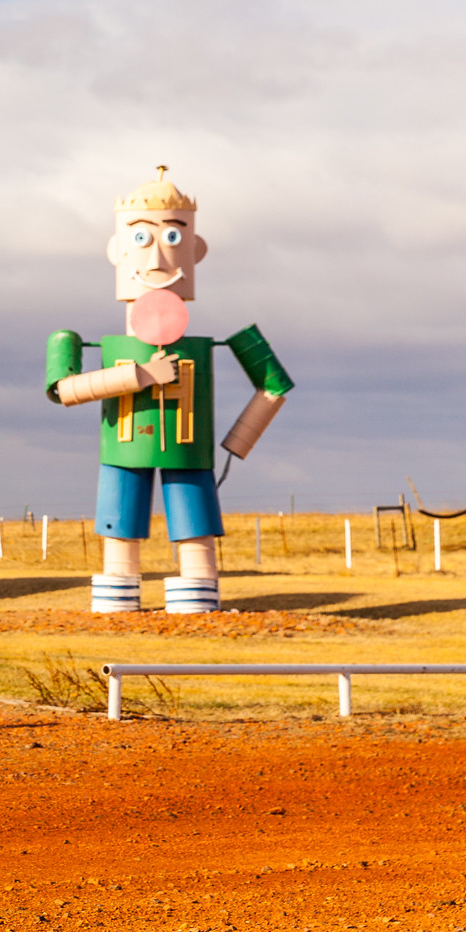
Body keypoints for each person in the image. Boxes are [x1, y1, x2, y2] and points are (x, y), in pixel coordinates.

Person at [45, 168, 291, 613]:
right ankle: (119, 596)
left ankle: (196, 598)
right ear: (119, 250)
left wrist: (239, 439)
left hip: (189, 451)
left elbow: (274, 384)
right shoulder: (78, 340)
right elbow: (62, 390)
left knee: (194, 529)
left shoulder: (213, 343)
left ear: (195, 250)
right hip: (124, 449)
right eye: (142, 239)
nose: (158, 258)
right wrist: (139, 376)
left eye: (173, 240)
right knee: (120, 527)